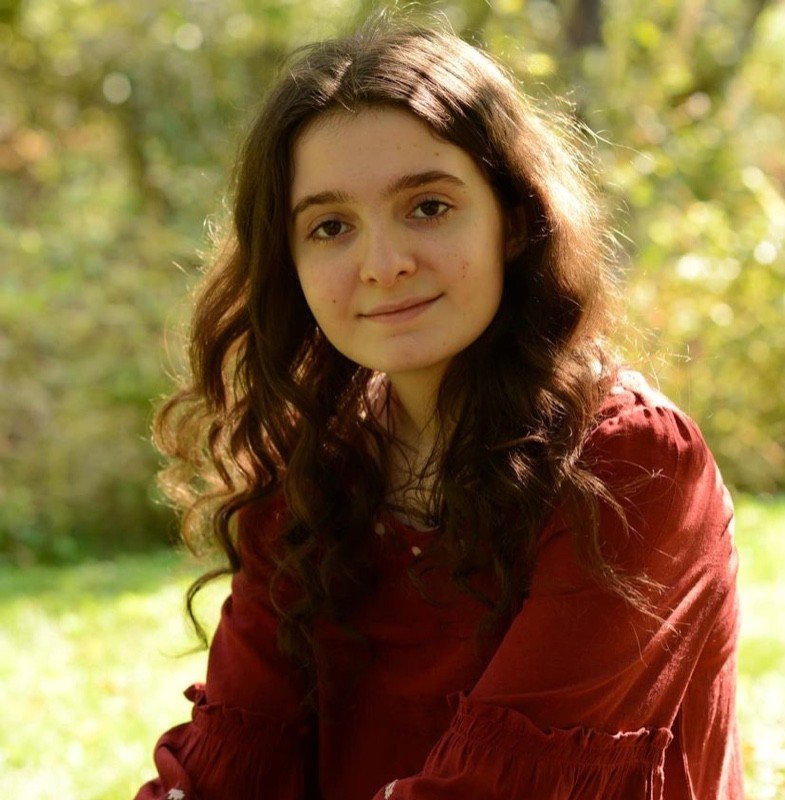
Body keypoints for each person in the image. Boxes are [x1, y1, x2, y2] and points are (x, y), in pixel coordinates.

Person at [135, 14, 742, 800]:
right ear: (292, 265)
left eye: (428, 206)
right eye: (330, 226)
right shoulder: (311, 479)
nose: (383, 264)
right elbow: (226, 770)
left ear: (515, 221)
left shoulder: (631, 465)